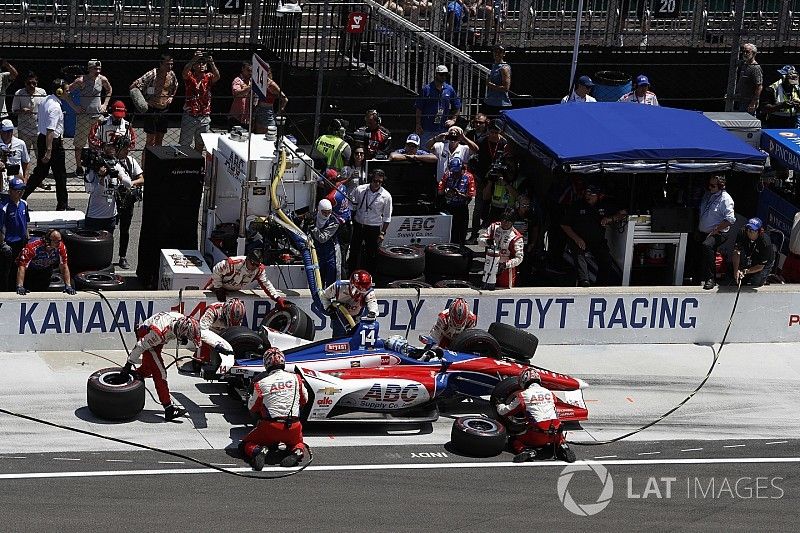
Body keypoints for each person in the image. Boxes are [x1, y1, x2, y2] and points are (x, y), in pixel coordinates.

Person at [120, 312, 200, 421]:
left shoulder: (181, 319)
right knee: (160, 373)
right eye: (186, 337)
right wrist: (128, 364)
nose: (186, 339)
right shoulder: (158, 334)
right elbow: (140, 346)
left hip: (155, 335)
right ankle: (169, 409)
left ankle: (128, 381)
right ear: (180, 331)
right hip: (147, 335)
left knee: (148, 369)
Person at [241, 347, 307, 470]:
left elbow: (252, 407)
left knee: (245, 444)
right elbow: (305, 400)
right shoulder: (297, 378)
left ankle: (257, 451)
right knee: (297, 443)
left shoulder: (260, 383)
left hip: (271, 427)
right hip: (294, 426)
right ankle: (298, 451)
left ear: (266, 364)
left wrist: (249, 398)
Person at [496, 368, 576, 463]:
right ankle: (563, 446)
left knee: (513, 439)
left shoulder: (523, 395)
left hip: (536, 436)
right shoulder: (550, 393)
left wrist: (499, 405)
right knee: (555, 427)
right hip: (555, 433)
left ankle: (526, 451)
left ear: (524, 380)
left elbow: (505, 411)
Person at [23, 79, 71, 211]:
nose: (68, 92)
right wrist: (49, 151)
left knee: (40, 173)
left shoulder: (46, 100)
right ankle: (62, 205)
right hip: (52, 142)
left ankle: (22, 197)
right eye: (67, 90)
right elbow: (51, 130)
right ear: (59, 91)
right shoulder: (55, 107)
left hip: (42, 138)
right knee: (60, 175)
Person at [560, 185, 622, 287]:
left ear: (599, 196)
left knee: (606, 260)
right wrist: (577, 239)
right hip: (578, 239)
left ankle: (600, 287)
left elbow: (622, 213)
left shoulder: (604, 205)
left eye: (591, 194)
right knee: (579, 255)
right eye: (587, 193)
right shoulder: (577, 205)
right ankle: (584, 282)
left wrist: (610, 219)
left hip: (597, 241)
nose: (588, 196)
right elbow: (564, 224)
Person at [67, 59, 113, 177]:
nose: (97, 71)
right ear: (89, 69)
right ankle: (79, 167)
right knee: (79, 144)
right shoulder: (81, 81)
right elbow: (66, 92)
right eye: (95, 69)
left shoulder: (102, 79)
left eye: (99, 69)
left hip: (97, 116)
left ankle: (96, 165)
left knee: (97, 143)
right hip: (84, 117)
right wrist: (74, 106)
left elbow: (109, 90)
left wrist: (105, 104)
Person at [129, 53, 179, 149]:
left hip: (164, 109)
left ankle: (156, 162)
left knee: (159, 140)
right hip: (152, 109)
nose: (170, 66)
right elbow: (134, 85)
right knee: (150, 141)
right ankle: (146, 162)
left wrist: (171, 96)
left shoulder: (172, 74)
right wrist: (143, 101)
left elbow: (175, 85)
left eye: (171, 64)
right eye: (167, 64)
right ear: (161, 64)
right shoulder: (152, 74)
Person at [83, 138, 133, 232]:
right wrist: (101, 177)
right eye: (108, 146)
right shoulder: (94, 166)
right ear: (102, 148)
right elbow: (89, 190)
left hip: (111, 217)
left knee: (108, 245)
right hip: (95, 216)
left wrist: (117, 175)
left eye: (113, 146)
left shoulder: (116, 165)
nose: (111, 149)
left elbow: (129, 184)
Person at [206, 248, 288, 305]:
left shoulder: (259, 270)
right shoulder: (233, 262)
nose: (254, 267)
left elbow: (266, 284)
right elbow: (217, 269)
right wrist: (218, 288)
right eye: (252, 263)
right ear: (247, 259)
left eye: (257, 265)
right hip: (215, 287)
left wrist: (277, 298)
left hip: (234, 291)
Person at [349, 169, 392, 273]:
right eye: (375, 180)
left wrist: (382, 233)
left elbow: (387, 216)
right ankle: (351, 274)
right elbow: (351, 206)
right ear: (370, 179)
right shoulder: (360, 189)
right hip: (359, 225)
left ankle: (370, 277)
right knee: (354, 251)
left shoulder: (386, 196)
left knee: (371, 254)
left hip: (373, 227)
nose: (377, 183)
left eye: (380, 182)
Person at [697, 175, 735, 290]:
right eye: (708, 185)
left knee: (707, 245)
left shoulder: (726, 199)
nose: (710, 188)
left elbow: (730, 219)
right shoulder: (709, 195)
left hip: (719, 233)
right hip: (704, 231)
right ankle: (698, 276)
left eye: (713, 186)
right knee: (699, 251)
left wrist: (716, 230)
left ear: (721, 186)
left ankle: (711, 278)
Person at [180, 50, 220, 152]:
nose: (201, 65)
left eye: (203, 63)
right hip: (190, 114)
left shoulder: (208, 77)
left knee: (201, 143)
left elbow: (217, 76)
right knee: (185, 144)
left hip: (204, 116)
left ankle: (196, 162)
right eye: (199, 63)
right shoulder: (190, 76)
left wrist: (211, 63)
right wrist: (194, 59)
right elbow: (184, 72)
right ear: (194, 66)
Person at [113, 136, 144, 269]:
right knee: (109, 229)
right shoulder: (112, 162)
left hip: (127, 200)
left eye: (127, 148)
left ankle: (122, 256)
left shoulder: (131, 161)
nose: (127, 151)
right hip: (114, 200)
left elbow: (142, 179)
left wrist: (130, 184)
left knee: (125, 230)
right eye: (124, 148)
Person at [321, 269, 379, 338]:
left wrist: (372, 312)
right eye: (359, 289)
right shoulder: (338, 287)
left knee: (358, 338)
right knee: (338, 339)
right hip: (340, 316)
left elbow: (372, 301)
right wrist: (328, 307)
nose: (361, 292)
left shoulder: (367, 290)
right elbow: (324, 296)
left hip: (358, 316)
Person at [15, 228, 75, 294]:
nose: (59, 243)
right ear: (48, 241)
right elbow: (22, 267)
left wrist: (68, 285)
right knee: (27, 288)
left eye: (60, 241)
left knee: (42, 289)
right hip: (28, 271)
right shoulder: (32, 248)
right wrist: (20, 286)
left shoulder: (61, 247)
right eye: (56, 241)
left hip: (45, 269)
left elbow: (64, 266)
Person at [415, 65, 462, 146]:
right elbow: (419, 108)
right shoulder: (427, 89)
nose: (443, 76)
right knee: (426, 150)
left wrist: (453, 119)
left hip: (442, 128)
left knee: (442, 152)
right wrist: (418, 124)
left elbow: (457, 105)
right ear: (436, 74)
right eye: (441, 74)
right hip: (427, 128)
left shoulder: (449, 89)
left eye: (445, 74)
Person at [479, 208, 524, 289]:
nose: (505, 223)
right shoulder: (493, 227)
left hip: (505, 270)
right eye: (503, 220)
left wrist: (505, 265)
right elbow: (480, 241)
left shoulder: (516, 237)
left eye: (508, 221)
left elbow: (519, 258)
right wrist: (487, 241)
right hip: (490, 265)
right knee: (485, 288)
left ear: (513, 222)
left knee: (504, 291)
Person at [197, 298, 244, 373]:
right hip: (210, 333)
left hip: (226, 335)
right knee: (201, 362)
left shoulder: (239, 314)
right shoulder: (213, 311)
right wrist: (215, 345)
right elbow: (201, 332)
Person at [437, 156, 476, 244]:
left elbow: (470, 196)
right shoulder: (447, 174)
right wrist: (446, 193)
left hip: (462, 207)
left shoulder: (469, 176)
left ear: (462, 168)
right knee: (448, 231)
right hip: (448, 207)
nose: (454, 174)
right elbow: (440, 191)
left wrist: (459, 194)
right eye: (453, 172)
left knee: (461, 232)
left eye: (457, 172)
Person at [0, 178, 29, 290]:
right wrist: (2, 244)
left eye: (22, 190)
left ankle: (16, 288)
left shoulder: (24, 204)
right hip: (8, 244)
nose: (20, 192)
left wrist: (27, 237)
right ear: (10, 191)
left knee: (19, 267)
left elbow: (26, 221)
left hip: (20, 242)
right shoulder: (4, 207)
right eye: (17, 190)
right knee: (5, 271)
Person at [11, 71, 46, 157]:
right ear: (25, 83)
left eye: (34, 83)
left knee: (41, 155)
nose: (31, 86)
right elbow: (14, 111)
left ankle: (40, 170)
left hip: (39, 129)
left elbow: (46, 109)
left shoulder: (42, 92)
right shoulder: (19, 93)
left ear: (37, 83)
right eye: (29, 83)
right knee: (24, 156)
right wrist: (22, 110)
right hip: (24, 129)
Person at [731, 217, 774, 287]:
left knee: (755, 283)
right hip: (750, 256)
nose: (748, 232)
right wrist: (736, 270)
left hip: (764, 262)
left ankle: (763, 280)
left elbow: (760, 266)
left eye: (752, 230)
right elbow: (736, 252)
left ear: (758, 231)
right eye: (748, 229)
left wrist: (745, 271)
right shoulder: (742, 232)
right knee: (740, 280)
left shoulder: (765, 243)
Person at [310, 198, 341, 288]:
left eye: (329, 212)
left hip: (331, 253)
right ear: (319, 210)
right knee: (317, 278)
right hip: (316, 252)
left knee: (332, 278)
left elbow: (323, 238)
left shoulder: (334, 222)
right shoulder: (313, 217)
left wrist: (313, 227)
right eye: (324, 212)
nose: (326, 214)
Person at [252, 61, 288, 134]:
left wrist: (279, 111)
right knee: (258, 135)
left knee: (268, 134)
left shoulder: (271, 84)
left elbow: (285, 99)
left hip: (267, 111)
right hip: (258, 110)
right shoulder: (259, 82)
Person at [0, 119, 31, 190]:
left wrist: (25, 180)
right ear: (1, 131)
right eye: (6, 132)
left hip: (16, 179)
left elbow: (26, 162)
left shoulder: (20, 143)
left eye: (10, 131)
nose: (9, 134)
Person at [483, 43, 511, 116]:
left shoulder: (504, 68)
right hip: (490, 101)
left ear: (504, 54)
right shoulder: (494, 65)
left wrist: (490, 84)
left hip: (499, 103)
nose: (497, 54)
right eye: (495, 51)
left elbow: (506, 88)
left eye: (500, 52)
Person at [734, 43, 763, 115]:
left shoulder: (755, 67)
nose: (744, 53)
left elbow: (759, 86)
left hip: (748, 101)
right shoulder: (745, 64)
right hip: (741, 99)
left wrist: (753, 102)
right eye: (743, 51)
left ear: (754, 54)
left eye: (747, 52)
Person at [228, 62, 252, 131]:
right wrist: (250, 87)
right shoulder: (237, 80)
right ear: (242, 69)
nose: (250, 73)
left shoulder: (251, 81)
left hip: (247, 118)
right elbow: (237, 93)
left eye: (251, 71)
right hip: (236, 117)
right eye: (248, 70)